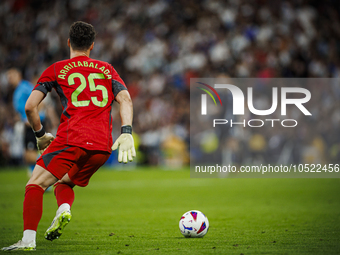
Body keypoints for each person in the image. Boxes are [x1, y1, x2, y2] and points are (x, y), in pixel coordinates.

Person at [2, 21, 136, 251]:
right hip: (102, 147)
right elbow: (126, 99)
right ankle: (64, 208)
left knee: (34, 185)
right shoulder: (108, 69)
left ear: (68, 43)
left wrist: (41, 135)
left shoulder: (56, 69)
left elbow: (30, 107)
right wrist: (126, 132)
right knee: (64, 181)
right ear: (92, 45)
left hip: (71, 138)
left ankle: (27, 241)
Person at [7, 68, 45, 169]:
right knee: (27, 156)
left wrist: (36, 117)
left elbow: (40, 100)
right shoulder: (17, 90)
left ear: (19, 75)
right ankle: (40, 181)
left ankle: (50, 161)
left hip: (34, 123)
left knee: (29, 155)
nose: (10, 78)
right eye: (8, 77)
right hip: (28, 124)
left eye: (12, 76)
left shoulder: (25, 87)